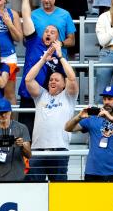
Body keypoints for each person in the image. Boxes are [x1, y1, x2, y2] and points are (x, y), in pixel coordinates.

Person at [25, 48, 78, 182]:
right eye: (51, 79)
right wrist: (44, 59)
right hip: (37, 150)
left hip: (59, 150)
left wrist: (60, 57)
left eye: (57, 80)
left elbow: (72, 78)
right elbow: (28, 79)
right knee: (35, 191)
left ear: (64, 84)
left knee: (59, 191)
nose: (52, 81)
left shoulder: (68, 96)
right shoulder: (41, 95)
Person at [65, 86, 113, 181]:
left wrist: (110, 118)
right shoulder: (94, 117)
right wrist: (78, 117)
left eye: (110, 99)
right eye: (104, 99)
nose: (106, 102)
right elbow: (68, 128)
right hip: (93, 171)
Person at [0, 98, 31, 182]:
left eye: (5, 112)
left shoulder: (22, 128)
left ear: (10, 112)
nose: (3, 115)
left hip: (18, 178)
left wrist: (22, 145)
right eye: (0, 113)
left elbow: (29, 155)